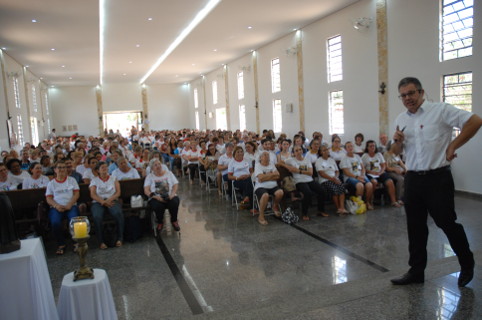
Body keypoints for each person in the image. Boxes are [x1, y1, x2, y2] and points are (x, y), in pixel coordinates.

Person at [390, 77, 482, 287]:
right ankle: (416, 272)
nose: (407, 98)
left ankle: (467, 263)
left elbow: (475, 121)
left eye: (411, 93)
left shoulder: (440, 110)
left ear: (421, 92)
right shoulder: (400, 119)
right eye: (403, 95)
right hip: (412, 178)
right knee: (415, 227)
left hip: (437, 178)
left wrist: (453, 146)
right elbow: (395, 153)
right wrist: (397, 142)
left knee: (447, 223)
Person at [45, 160, 80, 255]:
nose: (62, 170)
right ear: (55, 170)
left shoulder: (72, 180)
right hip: (56, 207)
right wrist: (56, 206)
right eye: (59, 167)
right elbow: (49, 198)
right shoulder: (51, 183)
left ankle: (76, 242)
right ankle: (61, 244)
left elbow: (76, 194)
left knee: (74, 220)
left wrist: (70, 204)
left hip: (71, 205)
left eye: (64, 167)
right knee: (55, 222)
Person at [285, 145, 327, 220]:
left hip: (309, 180)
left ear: (302, 151)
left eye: (299, 150)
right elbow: (280, 163)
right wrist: (289, 167)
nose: (298, 152)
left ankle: (320, 210)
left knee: (322, 191)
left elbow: (310, 172)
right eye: (296, 150)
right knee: (307, 193)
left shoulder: (307, 160)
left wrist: (298, 171)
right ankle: (304, 213)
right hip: (299, 181)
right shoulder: (291, 160)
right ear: (293, 153)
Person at [89, 162, 124, 249]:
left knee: (117, 213)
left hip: (111, 200)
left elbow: (118, 192)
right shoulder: (94, 180)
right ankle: (101, 241)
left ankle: (120, 238)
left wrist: (109, 200)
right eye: (102, 167)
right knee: (97, 216)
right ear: (98, 170)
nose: (105, 169)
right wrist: (103, 202)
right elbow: (93, 194)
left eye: (106, 167)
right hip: (98, 202)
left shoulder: (113, 178)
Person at [361, 140, 401, 208]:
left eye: (373, 146)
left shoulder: (379, 154)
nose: (372, 147)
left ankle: (393, 201)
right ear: (367, 147)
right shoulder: (365, 156)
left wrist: (381, 172)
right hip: (370, 173)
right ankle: (369, 201)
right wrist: (371, 172)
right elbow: (363, 168)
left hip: (380, 172)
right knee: (374, 182)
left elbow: (383, 165)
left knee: (390, 182)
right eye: (370, 146)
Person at [144, 159, 180, 232]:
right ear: (152, 168)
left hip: (169, 195)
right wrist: (155, 197)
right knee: (158, 206)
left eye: (159, 164)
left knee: (174, 202)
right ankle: (160, 222)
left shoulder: (168, 173)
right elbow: (146, 190)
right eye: (155, 165)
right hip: (156, 197)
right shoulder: (149, 177)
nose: (158, 166)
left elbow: (175, 184)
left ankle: (174, 220)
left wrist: (172, 194)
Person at [339, 141, 374, 209]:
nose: (350, 148)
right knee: (360, 185)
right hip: (350, 177)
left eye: (351, 146)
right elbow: (346, 172)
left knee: (369, 185)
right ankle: (359, 204)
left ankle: (367, 202)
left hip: (360, 175)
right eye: (348, 147)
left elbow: (363, 167)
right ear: (346, 149)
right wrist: (357, 177)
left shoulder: (357, 156)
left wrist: (363, 175)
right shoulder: (344, 159)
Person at [316, 144, 347, 215]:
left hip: (334, 178)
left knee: (341, 187)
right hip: (325, 180)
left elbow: (337, 171)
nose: (326, 151)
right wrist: (332, 179)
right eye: (324, 150)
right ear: (320, 152)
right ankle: (338, 208)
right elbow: (321, 173)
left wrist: (336, 177)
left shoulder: (331, 160)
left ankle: (342, 208)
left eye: (327, 149)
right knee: (334, 189)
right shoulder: (319, 161)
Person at [254, 151, 283, 225]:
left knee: (280, 192)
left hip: (273, 185)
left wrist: (266, 176)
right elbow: (260, 178)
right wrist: (272, 175)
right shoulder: (258, 165)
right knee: (265, 195)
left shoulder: (272, 164)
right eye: (264, 155)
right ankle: (261, 216)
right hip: (260, 186)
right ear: (260, 158)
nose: (267, 156)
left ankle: (274, 205)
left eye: (268, 155)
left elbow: (278, 176)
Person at [227, 146, 254, 211]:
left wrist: (249, 175)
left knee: (249, 181)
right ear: (234, 153)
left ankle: (246, 198)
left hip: (248, 178)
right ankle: (250, 204)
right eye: (238, 152)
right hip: (237, 180)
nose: (240, 153)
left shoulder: (247, 160)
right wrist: (237, 178)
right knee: (250, 184)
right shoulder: (232, 162)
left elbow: (252, 172)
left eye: (241, 152)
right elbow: (229, 176)